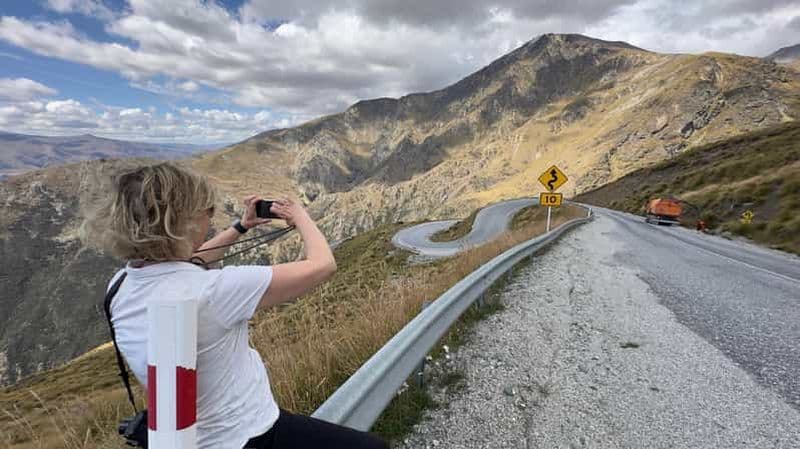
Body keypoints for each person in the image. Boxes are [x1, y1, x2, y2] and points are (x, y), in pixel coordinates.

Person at [83, 162, 387, 449]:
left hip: (185, 438)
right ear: (183, 222)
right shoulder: (216, 290)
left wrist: (242, 226)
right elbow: (323, 265)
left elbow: (186, 263)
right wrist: (301, 216)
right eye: (207, 210)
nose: (210, 218)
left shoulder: (120, 286)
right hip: (248, 433)